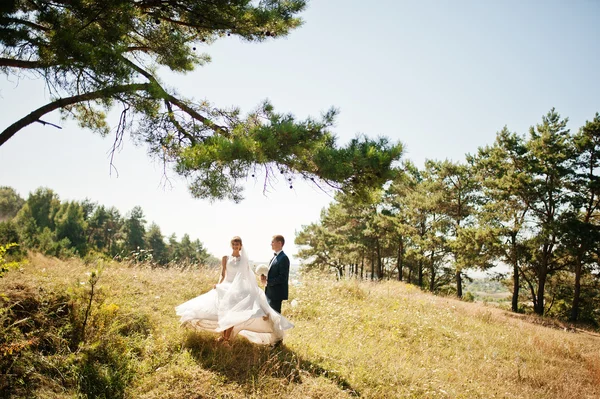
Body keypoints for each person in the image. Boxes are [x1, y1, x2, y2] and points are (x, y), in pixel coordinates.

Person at [175, 236, 293, 345]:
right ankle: (223, 336)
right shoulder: (225, 258)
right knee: (223, 311)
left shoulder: (244, 260)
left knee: (232, 312)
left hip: (237, 289)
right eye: (233, 244)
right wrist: (219, 284)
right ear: (231, 245)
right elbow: (223, 274)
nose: (235, 246)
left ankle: (226, 338)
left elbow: (246, 276)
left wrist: (253, 288)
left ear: (240, 246)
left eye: (237, 244)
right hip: (226, 286)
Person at [261, 235, 290, 314]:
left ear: (279, 243)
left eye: (273, 242)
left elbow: (282, 277)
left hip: (276, 293)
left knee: (275, 317)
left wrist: (268, 282)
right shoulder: (273, 257)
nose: (271, 244)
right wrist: (264, 277)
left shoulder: (283, 258)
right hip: (269, 292)